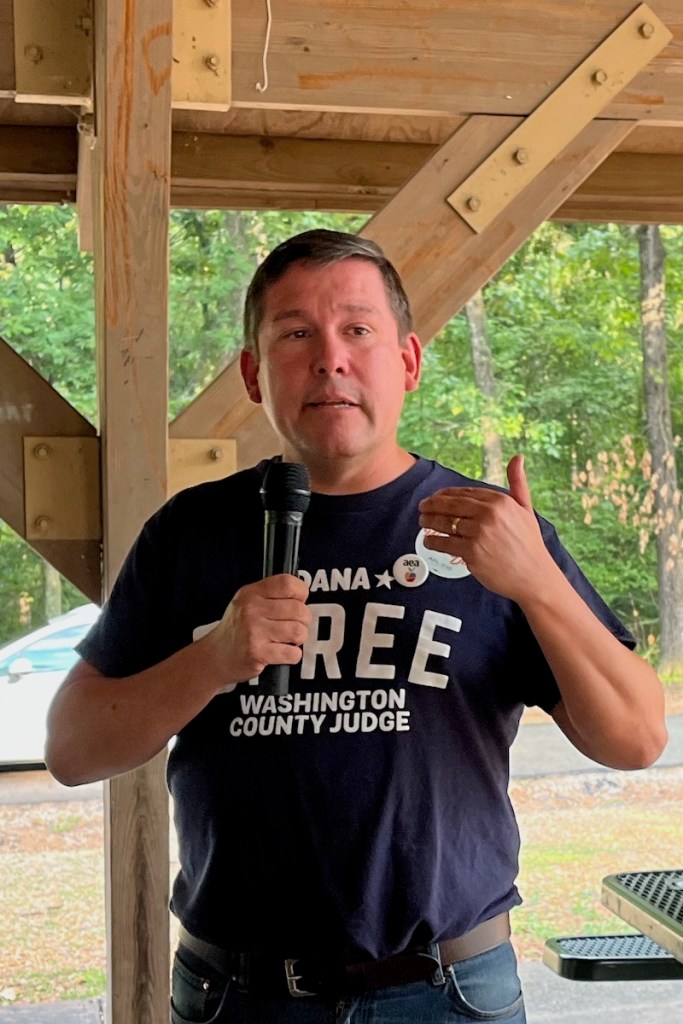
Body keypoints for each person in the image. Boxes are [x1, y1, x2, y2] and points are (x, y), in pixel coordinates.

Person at [45, 229, 667, 1024]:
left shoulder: (490, 530)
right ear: (254, 373)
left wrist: (536, 581)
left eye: (357, 330)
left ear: (407, 361)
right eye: (295, 334)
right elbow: (72, 749)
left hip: (448, 991)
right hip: (238, 995)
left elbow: (635, 738)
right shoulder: (191, 533)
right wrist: (213, 659)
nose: (329, 358)